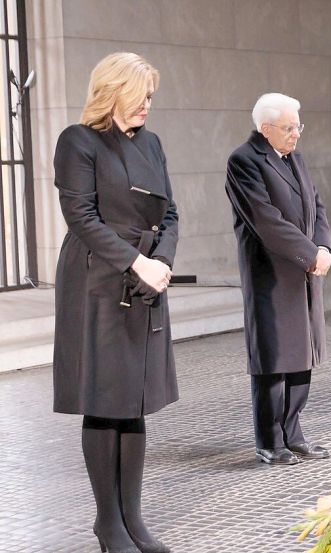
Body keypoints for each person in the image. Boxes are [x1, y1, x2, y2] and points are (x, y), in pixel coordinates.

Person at [52, 52, 177, 553]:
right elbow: (80, 215)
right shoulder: (78, 141)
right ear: (114, 90)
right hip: (98, 280)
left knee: (135, 400)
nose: (148, 104)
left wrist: (161, 260)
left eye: (150, 96)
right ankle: (109, 524)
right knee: (105, 402)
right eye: (141, 94)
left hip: (146, 277)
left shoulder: (152, 143)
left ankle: (133, 519)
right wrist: (135, 262)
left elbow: (171, 213)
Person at [226, 93, 331, 466]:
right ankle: (270, 440)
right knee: (274, 358)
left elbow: (316, 206)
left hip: (304, 270)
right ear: (264, 128)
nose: (296, 134)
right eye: (289, 128)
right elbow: (266, 219)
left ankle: (293, 432)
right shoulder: (243, 161)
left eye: (298, 126)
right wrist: (309, 254)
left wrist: (324, 247)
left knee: (301, 354)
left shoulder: (296, 159)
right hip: (271, 274)